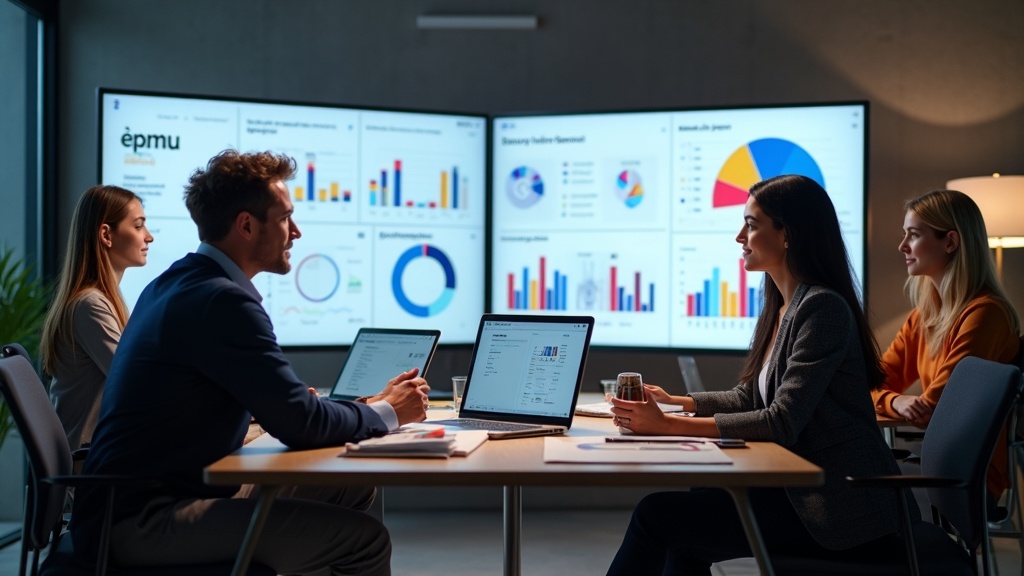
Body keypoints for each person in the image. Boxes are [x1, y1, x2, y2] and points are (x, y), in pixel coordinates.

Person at [69, 150, 429, 575]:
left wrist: (359, 409)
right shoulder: (222, 301)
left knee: (349, 486)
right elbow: (300, 422)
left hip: (143, 499)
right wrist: (388, 412)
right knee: (365, 540)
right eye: (285, 218)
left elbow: (288, 409)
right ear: (246, 225)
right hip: (146, 519)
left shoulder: (177, 282)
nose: (296, 231)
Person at [606, 175, 907, 575]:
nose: (739, 237)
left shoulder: (823, 309)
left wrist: (667, 425)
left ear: (788, 234)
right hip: (800, 491)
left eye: (751, 225)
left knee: (656, 515)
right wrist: (678, 403)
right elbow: (751, 397)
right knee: (690, 516)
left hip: (837, 506)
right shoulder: (783, 306)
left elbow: (781, 421)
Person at [872, 189, 1020, 496]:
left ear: (950, 242)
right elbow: (869, 384)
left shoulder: (986, 315)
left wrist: (890, 399)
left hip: (968, 476)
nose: (902, 246)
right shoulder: (922, 318)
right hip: (939, 461)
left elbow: (935, 408)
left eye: (913, 235)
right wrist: (896, 401)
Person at [41, 185, 153, 452]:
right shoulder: (90, 306)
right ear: (106, 235)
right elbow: (136, 382)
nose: (149, 237)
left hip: (102, 453)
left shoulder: (103, 300)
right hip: (92, 463)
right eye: (138, 226)